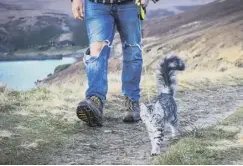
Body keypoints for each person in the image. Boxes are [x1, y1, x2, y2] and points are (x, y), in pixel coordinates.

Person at [71, 0, 158, 127]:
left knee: (133, 51)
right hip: (96, 4)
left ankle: (132, 101)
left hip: (130, 4)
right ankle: (95, 101)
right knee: (96, 51)